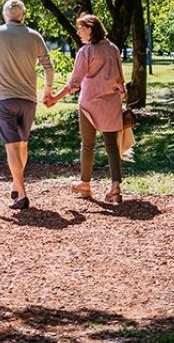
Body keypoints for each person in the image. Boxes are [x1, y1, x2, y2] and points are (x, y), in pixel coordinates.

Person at [0, 0, 55, 210]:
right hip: (28, 99)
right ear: (23, 15)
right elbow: (48, 66)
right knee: (22, 145)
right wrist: (47, 90)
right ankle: (16, 184)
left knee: (11, 148)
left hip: (4, 99)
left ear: (4, 15)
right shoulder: (35, 36)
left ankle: (22, 194)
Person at [48, 12, 127, 204]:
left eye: (81, 28)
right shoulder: (113, 49)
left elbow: (74, 83)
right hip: (111, 103)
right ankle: (115, 187)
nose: (77, 32)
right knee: (112, 146)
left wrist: (54, 98)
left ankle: (85, 184)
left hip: (89, 104)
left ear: (90, 29)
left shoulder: (86, 52)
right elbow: (121, 81)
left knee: (88, 145)